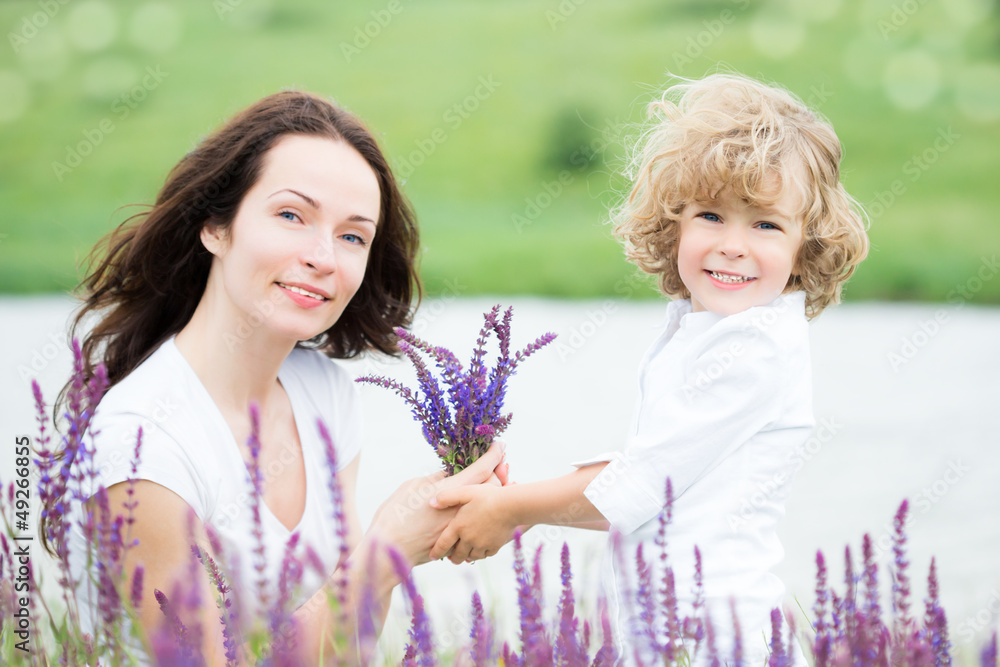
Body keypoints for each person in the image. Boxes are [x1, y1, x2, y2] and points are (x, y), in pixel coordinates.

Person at [51, 90, 508, 664]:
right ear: (216, 227)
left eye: (352, 235)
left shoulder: (325, 394)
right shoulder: (143, 442)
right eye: (292, 215)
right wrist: (385, 551)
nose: (324, 256)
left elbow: (344, 651)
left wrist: (428, 517)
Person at [428, 72, 869, 664]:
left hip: (716, 642)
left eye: (765, 224)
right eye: (711, 216)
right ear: (674, 224)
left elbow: (641, 487)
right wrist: (529, 503)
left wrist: (513, 509)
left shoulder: (756, 348)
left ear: (803, 248)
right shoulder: (708, 327)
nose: (734, 244)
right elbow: (658, 464)